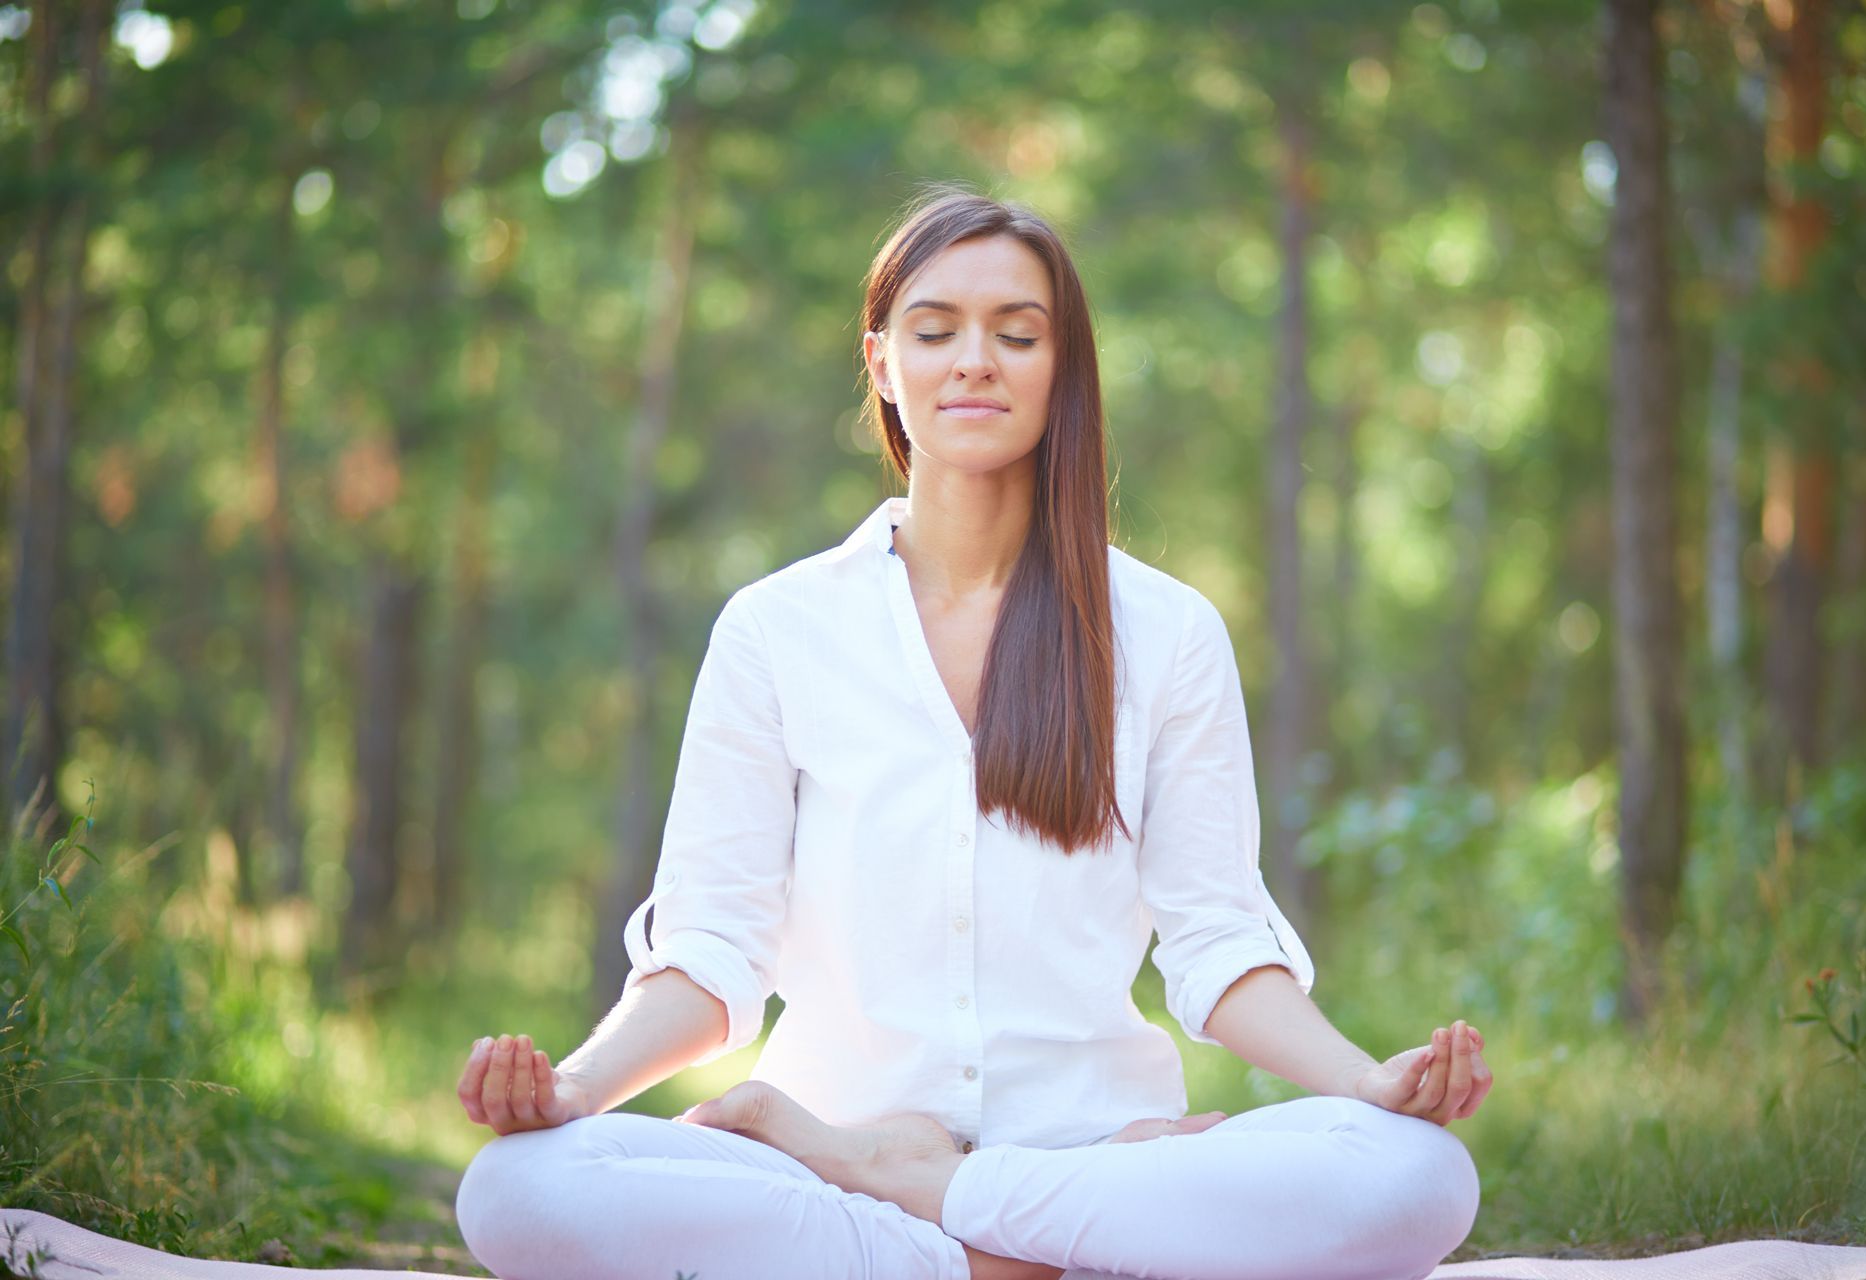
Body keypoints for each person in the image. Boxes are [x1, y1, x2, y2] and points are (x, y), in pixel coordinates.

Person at [451, 184, 1493, 1280]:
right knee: (521, 1190)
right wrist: (572, 1087)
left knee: (1414, 1176)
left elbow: (1218, 941)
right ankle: (1037, 1255)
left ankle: (928, 1201)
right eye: (935, 329)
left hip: (1091, 1152)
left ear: (1064, 367)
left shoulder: (1167, 631)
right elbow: (711, 951)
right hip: (821, 1152)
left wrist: (1365, 1081)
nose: (975, 361)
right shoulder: (778, 628)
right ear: (883, 364)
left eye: (1018, 333)